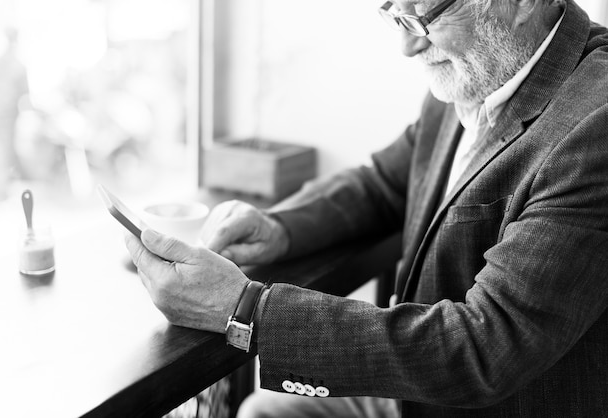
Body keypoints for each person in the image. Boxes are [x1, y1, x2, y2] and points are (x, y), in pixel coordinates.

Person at [124, 0, 608, 416]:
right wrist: (279, 227)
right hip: (420, 395)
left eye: (422, 18)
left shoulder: (595, 124)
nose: (407, 47)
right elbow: (385, 183)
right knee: (267, 411)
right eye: (394, 15)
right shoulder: (477, 66)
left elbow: (486, 347)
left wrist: (243, 309)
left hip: (495, 402)